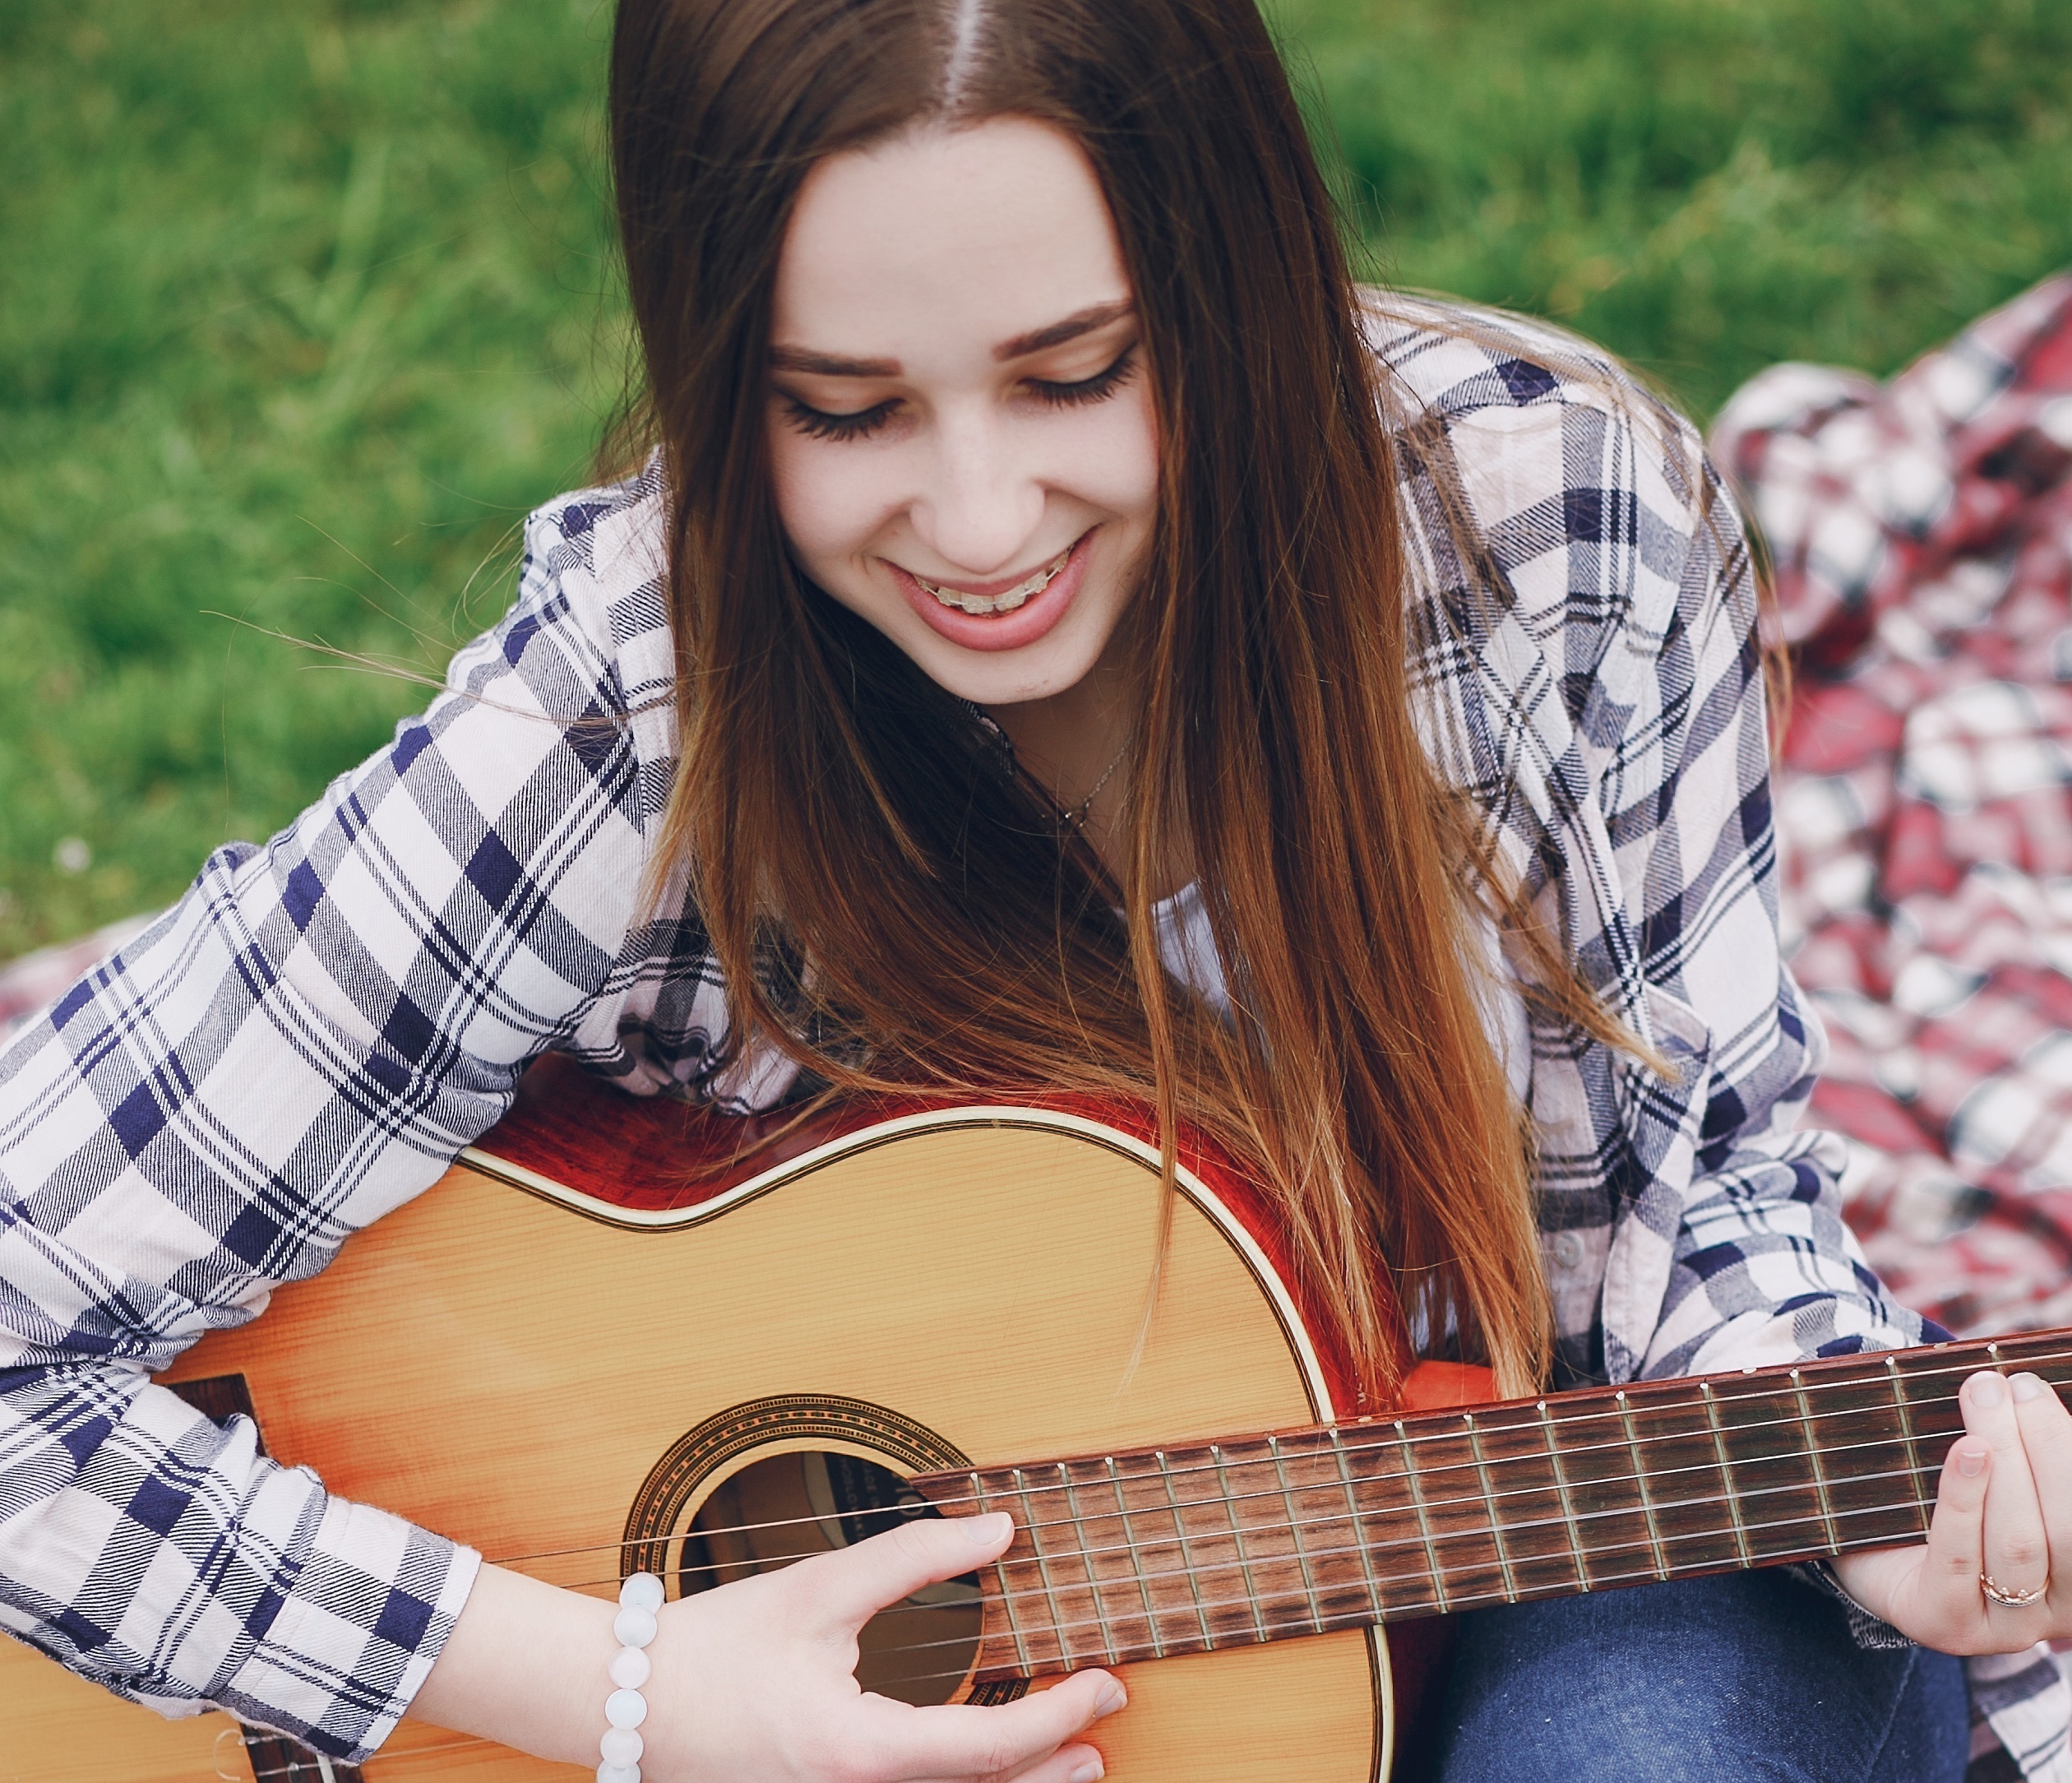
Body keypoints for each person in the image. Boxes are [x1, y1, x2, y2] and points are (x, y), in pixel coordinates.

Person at [2, 2, 2069, 1779]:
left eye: (1079, 373)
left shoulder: (1561, 529)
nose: (982, 520)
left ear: (1238, 282)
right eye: (846, 411)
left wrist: (1875, 1509)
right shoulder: (637, 710)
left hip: (1530, 1557)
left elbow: (1704, 1212)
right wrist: (639, 1697)